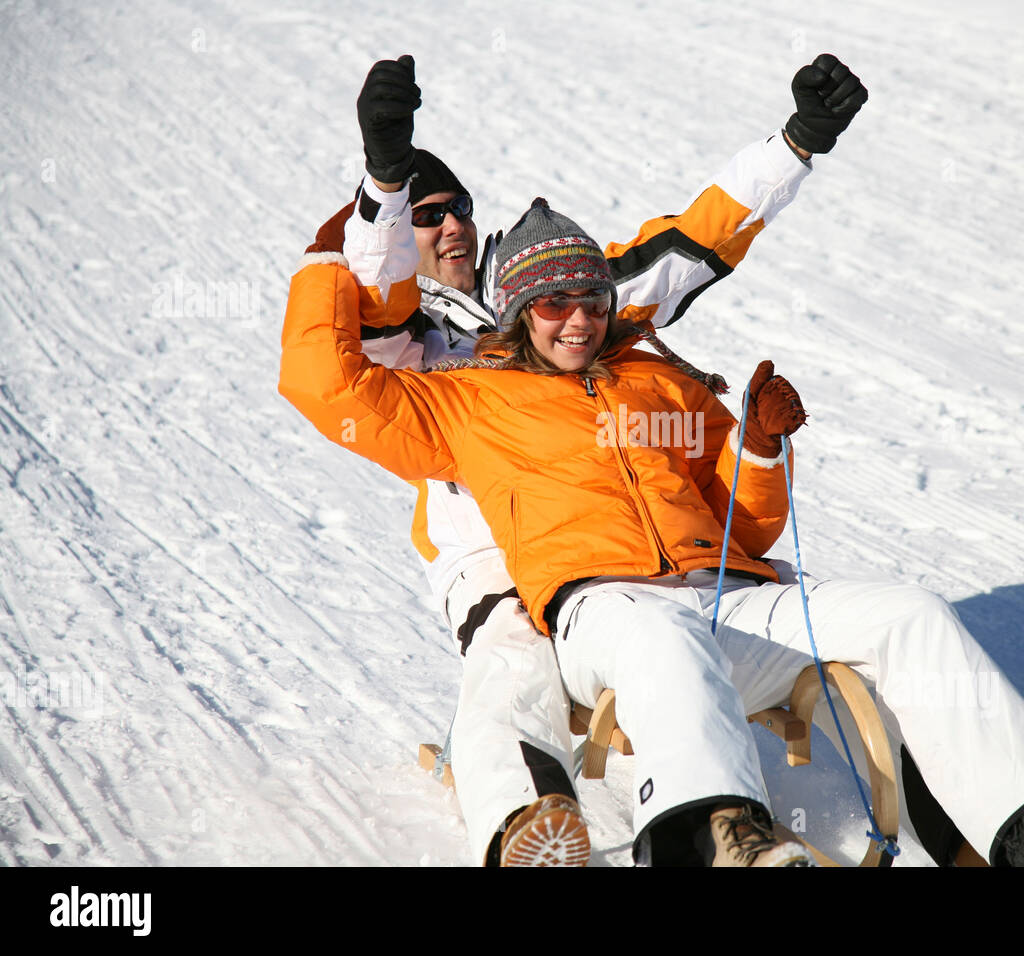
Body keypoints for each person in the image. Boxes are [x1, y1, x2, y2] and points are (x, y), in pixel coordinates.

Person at [279, 194, 1024, 868]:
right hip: (605, 614)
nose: (578, 318)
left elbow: (742, 523)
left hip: (730, 597)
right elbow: (327, 388)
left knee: (909, 612)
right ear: (519, 313)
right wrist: (331, 260)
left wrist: (753, 447)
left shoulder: (658, 385)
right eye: (553, 303)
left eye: (591, 298)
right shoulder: (466, 401)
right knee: (658, 633)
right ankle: (718, 840)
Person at [292, 53, 868, 865]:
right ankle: (527, 819)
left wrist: (795, 144)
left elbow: (687, 245)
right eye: (427, 216)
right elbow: (367, 285)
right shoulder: (404, 336)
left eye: (457, 207)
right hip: (490, 553)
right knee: (514, 661)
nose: (450, 224)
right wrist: (383, 184)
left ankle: (706, 786)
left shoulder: (543, 290)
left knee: (656, 627)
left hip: (599, 530)